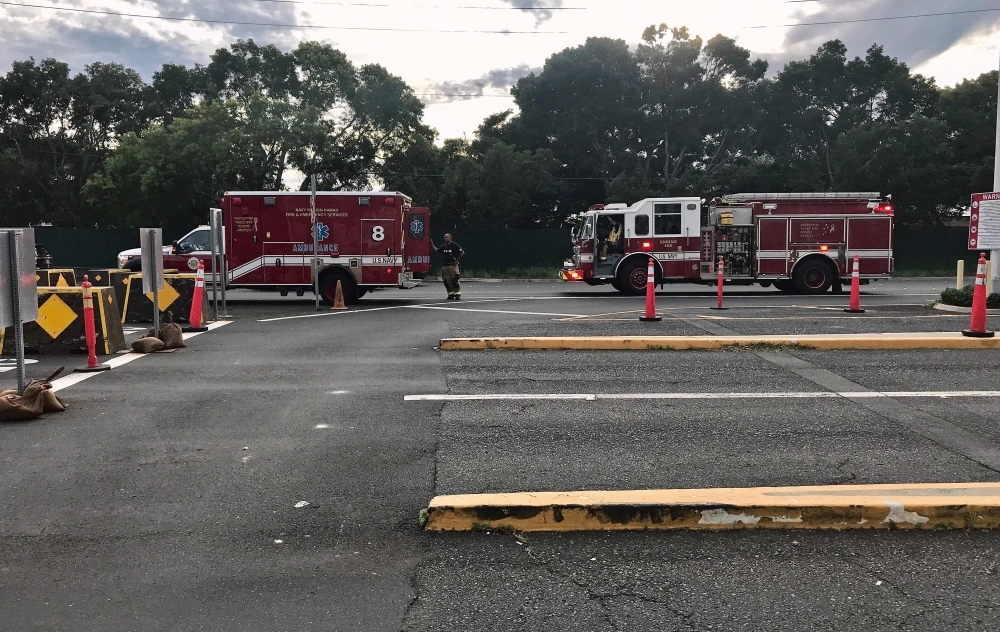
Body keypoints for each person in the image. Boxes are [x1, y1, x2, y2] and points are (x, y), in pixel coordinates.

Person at [430, 233, 464, 300]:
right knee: (446, 281)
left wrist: (457, 261)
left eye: (446, 237)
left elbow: (462, 252)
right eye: (444, 237)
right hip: (445, 266)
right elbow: (437, 250)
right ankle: (450, 293)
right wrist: (432, 244)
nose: (444, 238)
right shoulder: (444, 246)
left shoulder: (454, 245)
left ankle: (457, 293)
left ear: (450, 238)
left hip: (452, 265)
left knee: (454, 280)